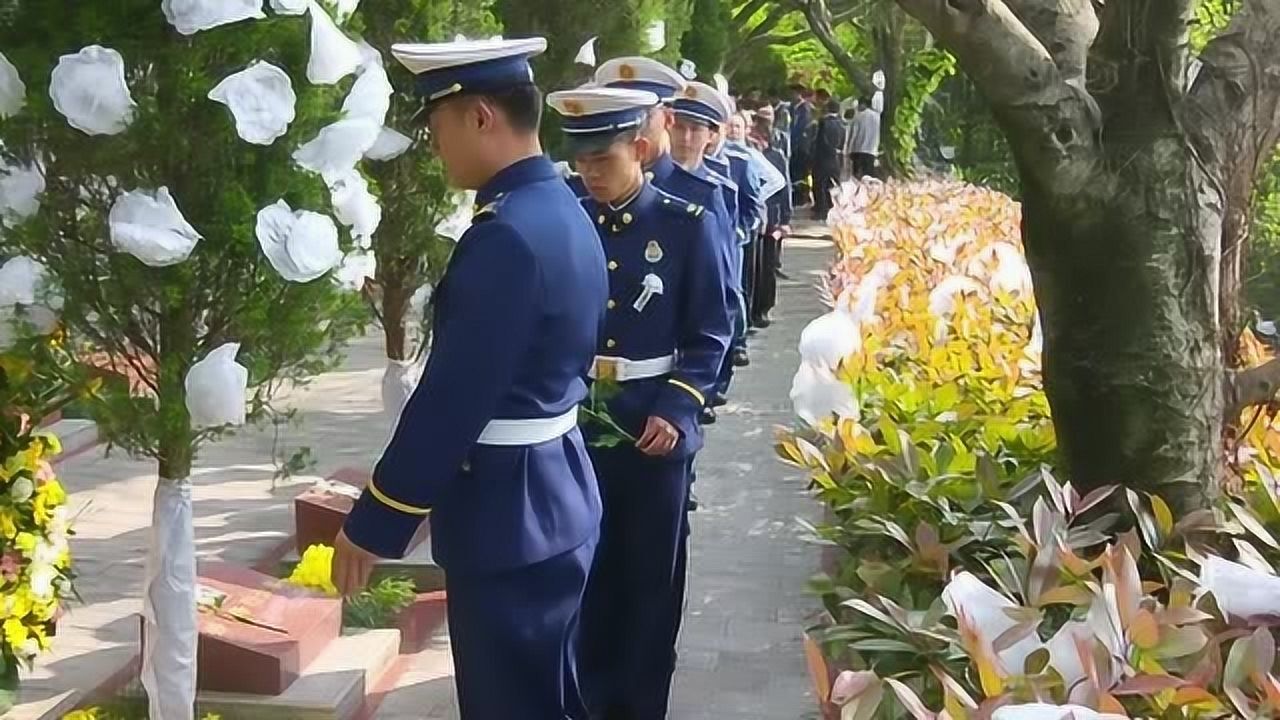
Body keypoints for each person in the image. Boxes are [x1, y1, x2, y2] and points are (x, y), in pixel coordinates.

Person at [332, 37, 609, 720]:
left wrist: (375, 521)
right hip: (553, 492)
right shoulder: (560, 208)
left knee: (511, 704)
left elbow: (451, 402)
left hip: (510, 512)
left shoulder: (507, 235)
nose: (433, 144)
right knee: (545, 696)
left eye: (438, 125)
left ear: (480, 117)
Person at [548, 85, 732, 720]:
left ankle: (638, 703)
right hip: (577, 420)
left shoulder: (688, 223)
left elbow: (712, 331)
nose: (590, 173)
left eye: (604, 159)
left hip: (652, 427)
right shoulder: (568, 215)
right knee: (581, 570)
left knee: (648, 578)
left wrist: (679, 408)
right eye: (582, 161)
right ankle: (587, 699)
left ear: (642, 148)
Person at [591, 56, 736, 426]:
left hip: (659, 396)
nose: (628, 127)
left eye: (641, 115)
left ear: (666, 120)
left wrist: (687, 401)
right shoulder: (583, 193)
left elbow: (720, 304)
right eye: (616, 113)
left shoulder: (698, 197)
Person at [749, 106, 791, 328]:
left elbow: (786, 189)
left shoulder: (776, 157)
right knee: (753, 268)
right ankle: (752, 309)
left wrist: (785, 219)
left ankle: (764, 308)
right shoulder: (748, 156)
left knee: (768, 265)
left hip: (771, 216)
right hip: (754, 217)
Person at [811, 98, 845, 218]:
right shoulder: (842, 124)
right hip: (836, 158)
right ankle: (835, 207)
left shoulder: (823, 123)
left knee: (820, 184)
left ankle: (821, 210)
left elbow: (818, 141)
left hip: (822, 158)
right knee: (834, 184)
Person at [787, 84, 814, 207]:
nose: (792, 96)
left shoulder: (805, 109)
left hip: (801, 145)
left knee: (801, 173)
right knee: (794, 172)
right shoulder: (792, 108)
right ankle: (795, 195)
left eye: (794, 93)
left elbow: (802, 127)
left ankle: (802, 196)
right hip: (792, 144)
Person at [847, 95, 881, 179]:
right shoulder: (877, 117)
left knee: (856, 177)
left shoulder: (858, 117)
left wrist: (849, 149)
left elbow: (854, 134)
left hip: (858, 150)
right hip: (871, 151)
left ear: (863, 104)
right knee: (868, 176)